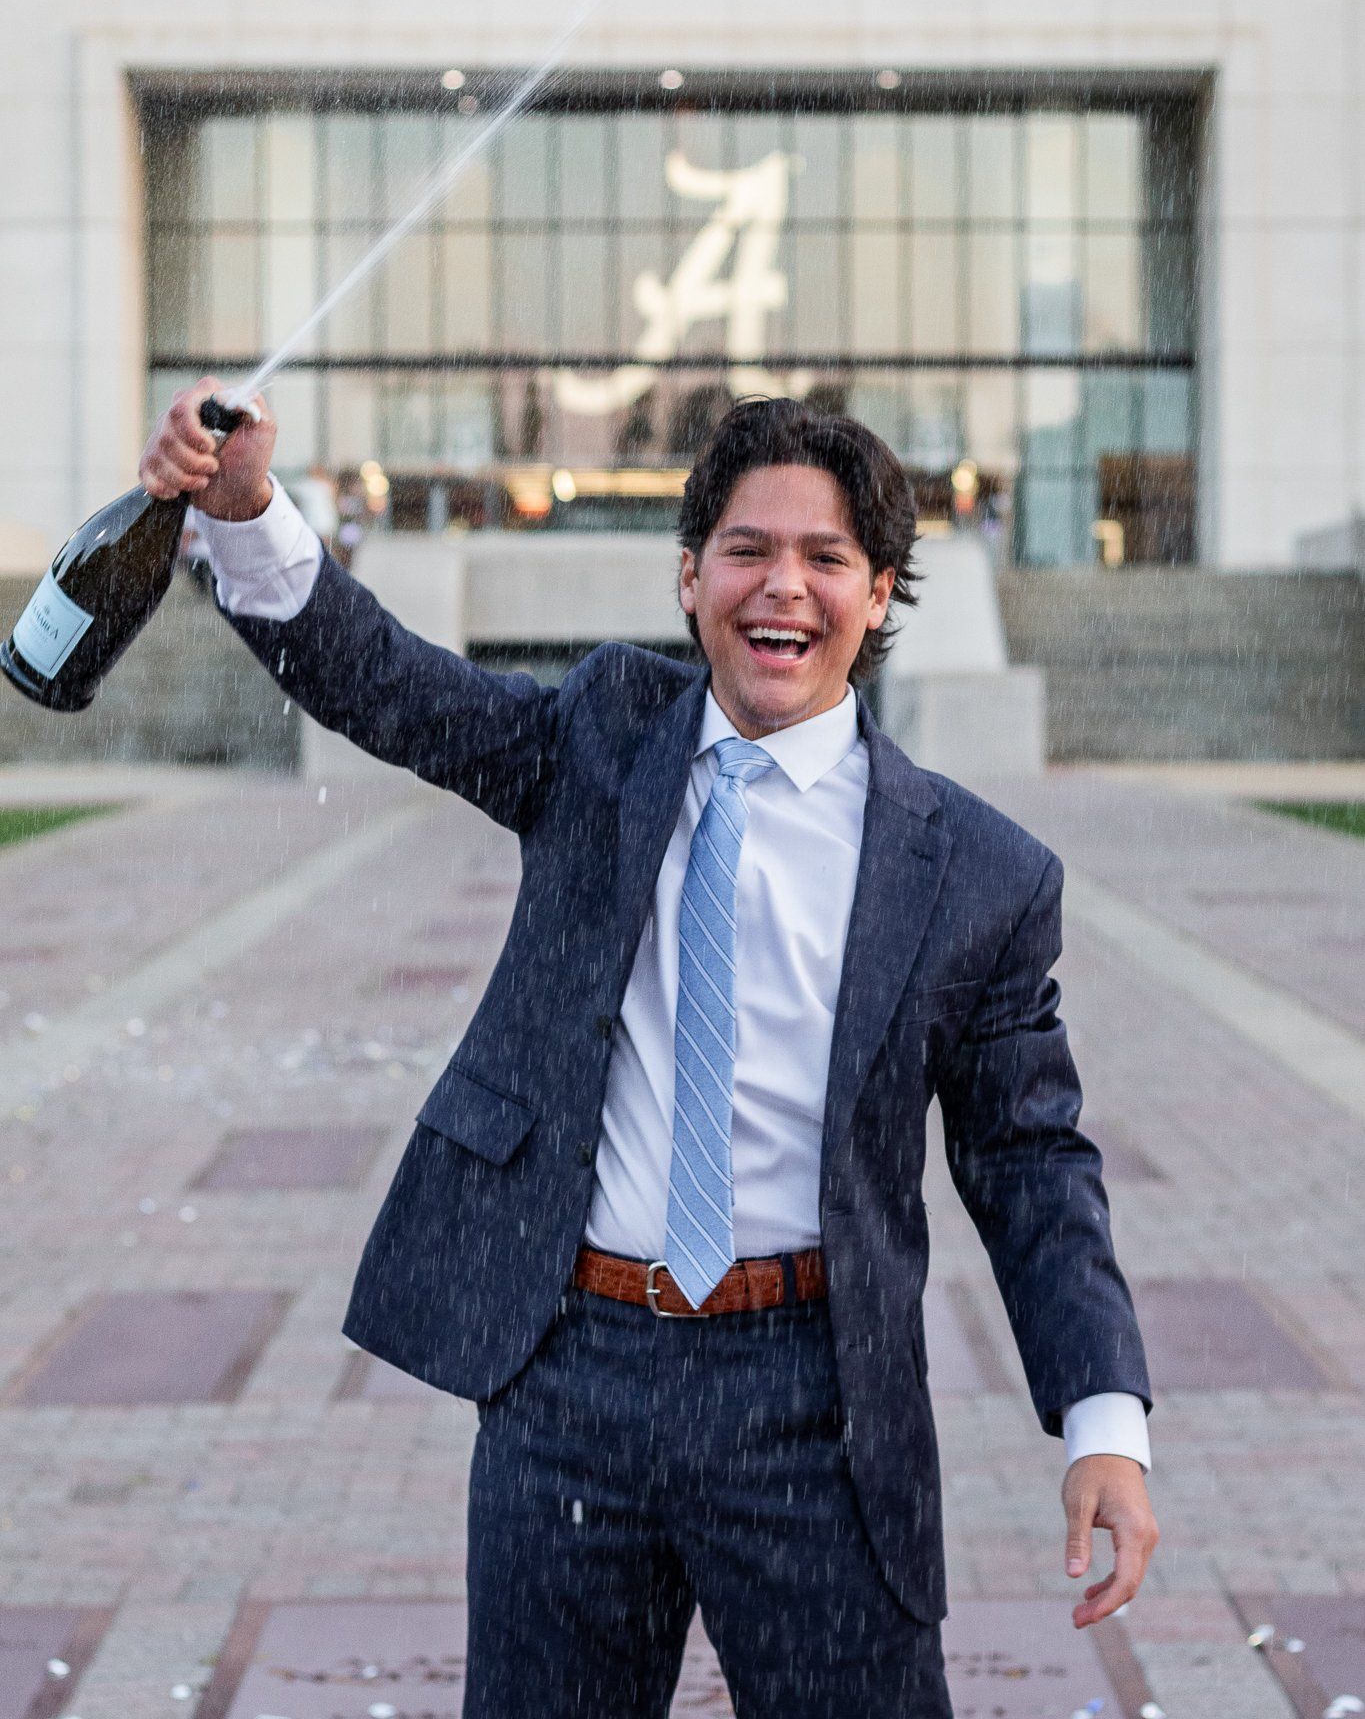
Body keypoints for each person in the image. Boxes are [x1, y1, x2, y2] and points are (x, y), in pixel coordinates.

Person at [140, 382, 1158, 1719]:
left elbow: (1030, 1160)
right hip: (572, 1371)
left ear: (880, 591)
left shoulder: (978, 871)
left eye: (824, 558)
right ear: (689, 578)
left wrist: (1103, 1424)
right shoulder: (600, 739)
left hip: (815, 1402)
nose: (779, 586)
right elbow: (388, 685)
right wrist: (248, 513)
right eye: (745, 550)